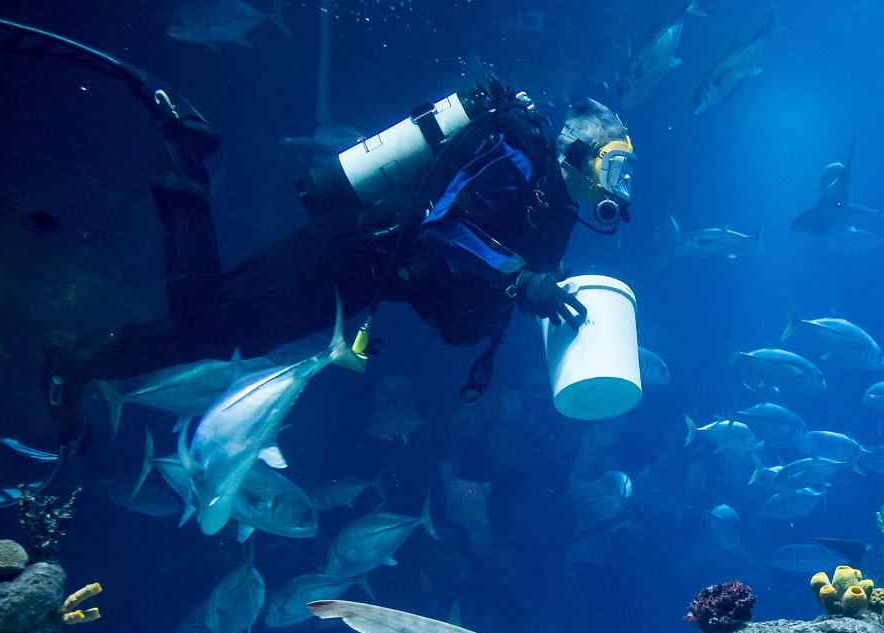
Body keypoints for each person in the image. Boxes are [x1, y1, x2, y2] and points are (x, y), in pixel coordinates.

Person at [44, 74, 633, 441]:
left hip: (366, 280)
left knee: (222, 335)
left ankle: (77, 362)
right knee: (202, 323)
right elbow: (429, 220)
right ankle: (182, 158)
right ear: (577, 153)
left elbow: (503, 270)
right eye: (613, 165)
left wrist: (536, 287)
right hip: (346, 249)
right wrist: (519, 279)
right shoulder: (515, 150)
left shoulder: (553, 209)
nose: (619, 184)